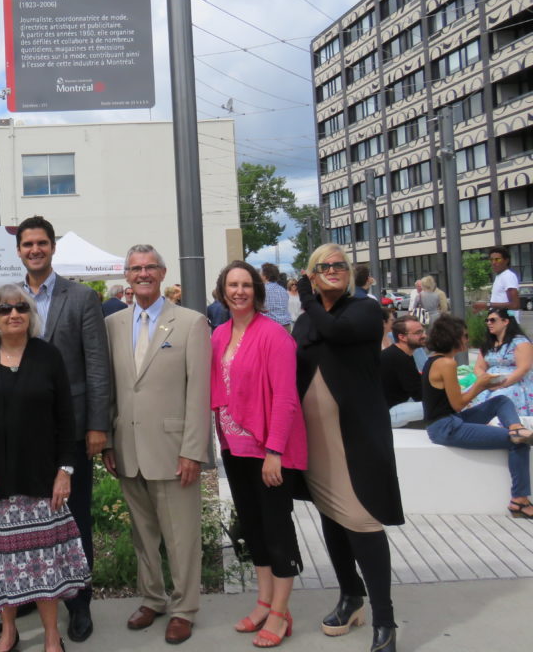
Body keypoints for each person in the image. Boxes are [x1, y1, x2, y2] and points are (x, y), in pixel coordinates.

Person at [0, 284, 90, 652]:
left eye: (21, 308)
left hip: (41, 480)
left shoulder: (48, 357)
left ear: (30, 314)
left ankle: (51, 635)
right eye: (4, 309)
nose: (13, 314)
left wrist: (65, 470)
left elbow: (66, 419)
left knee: (45, 562)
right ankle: (8, 632)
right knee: (2, 564)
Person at [293, 245, 403, 652]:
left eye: (340, 264)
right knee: (332, 516)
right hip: (315, 439)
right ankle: (350, 595)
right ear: (313, 272)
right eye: (325, 265)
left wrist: (306, 296)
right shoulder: (306, 321)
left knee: (362, 520)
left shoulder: (364, 309)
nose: (334, 269)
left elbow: (336, 332)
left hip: (356, 436)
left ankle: (385, 621)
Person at [103, 245, 211, 646]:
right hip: (127, 448)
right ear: (127, 276)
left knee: (181, 538)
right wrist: (108, 441)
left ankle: (184, 609)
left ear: (163, 273)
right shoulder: (112, 324)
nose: (143, 273)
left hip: (173, 449)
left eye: (150, 267)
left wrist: (193, 450)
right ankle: (153, 598)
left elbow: (199, 392)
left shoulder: (191, 323)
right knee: (143, 535)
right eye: (135, 268)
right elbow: (110, 388)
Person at [15, 215, 109, 643]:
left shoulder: (82, 297)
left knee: (74, 517)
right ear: (19, 250)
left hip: (71, 428)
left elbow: (97, 366)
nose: (35, 249)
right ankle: (36, 593)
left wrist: (97, 425)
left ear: (53, 247)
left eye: (41, 243)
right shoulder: (10, 298)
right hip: (23, 430)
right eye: (27, 244)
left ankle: (79, 602)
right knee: (29, 516)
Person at [210, 261, 306, 648]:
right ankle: (265, 602)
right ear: (223, 291)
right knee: (253, 528)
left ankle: (281, 612)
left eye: (246, 285)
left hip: (268, 450)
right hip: (233, 448)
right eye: (232, 285)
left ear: (257, 290)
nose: (239, 292)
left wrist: (274, 451)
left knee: (276, 529)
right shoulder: (219, 334)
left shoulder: (275, 335)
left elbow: (285, 397)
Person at [422, 314, 533, 519]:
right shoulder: (446, 363)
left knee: (501, 401)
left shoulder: (435, 360)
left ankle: (516, 428)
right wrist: (480, 385)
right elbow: (458, 404)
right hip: (446, 427)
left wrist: (485, 385)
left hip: (450, 421)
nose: (468, 340)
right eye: (464, 336)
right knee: (518, 444)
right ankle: (519, 501)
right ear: (453, 337)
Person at [471, 309, 533, 416]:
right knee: (470, 396)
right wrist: (485, 381)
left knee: (500, 397)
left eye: (493, 320)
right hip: (489, 382)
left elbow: (524, 368)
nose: (489, 323)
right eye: (487, 320)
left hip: (514, 382)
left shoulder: (520, 342)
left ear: (505, 321)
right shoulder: (488, 343)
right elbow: (479, 367)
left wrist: (501, 384)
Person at [381, 316, 426, 428]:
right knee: (443, 404)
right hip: (388, 414)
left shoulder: (399, 354)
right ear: (402, 337)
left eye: (423, 331)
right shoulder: (398, 358)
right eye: (418, 333)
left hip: (388, 409)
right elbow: (419, 394)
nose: (424, 336)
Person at [475, 245, 522, 323]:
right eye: (491, 260)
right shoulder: (499, 276)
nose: (494, 263)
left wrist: (488, 305)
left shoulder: (508, 276)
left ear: (506, 260)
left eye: (497, 259)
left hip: (507, 324)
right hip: (498, 324)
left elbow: (515, 305)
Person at [260, 263, 293, 331]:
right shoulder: (283, 290)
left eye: (261, 273)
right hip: (286, 326)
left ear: (265, 276)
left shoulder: (262, 290)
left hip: (271, 327)